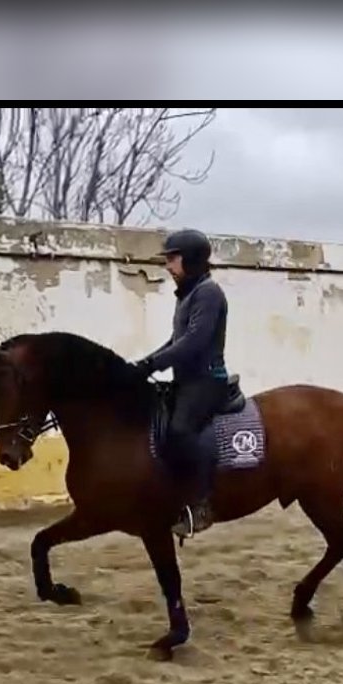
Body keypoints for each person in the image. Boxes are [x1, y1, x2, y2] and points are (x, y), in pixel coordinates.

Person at [132, 228, 230, 537]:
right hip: (186, 381)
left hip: (207, 381)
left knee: (180, 430)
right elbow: (176, 341)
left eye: (173, 259)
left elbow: (194, 342)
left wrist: (152, 364)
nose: (168, 266)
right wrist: (143, 364)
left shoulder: (208, 293)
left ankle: (201, 505)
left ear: (192, 260)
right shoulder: (188, 294)